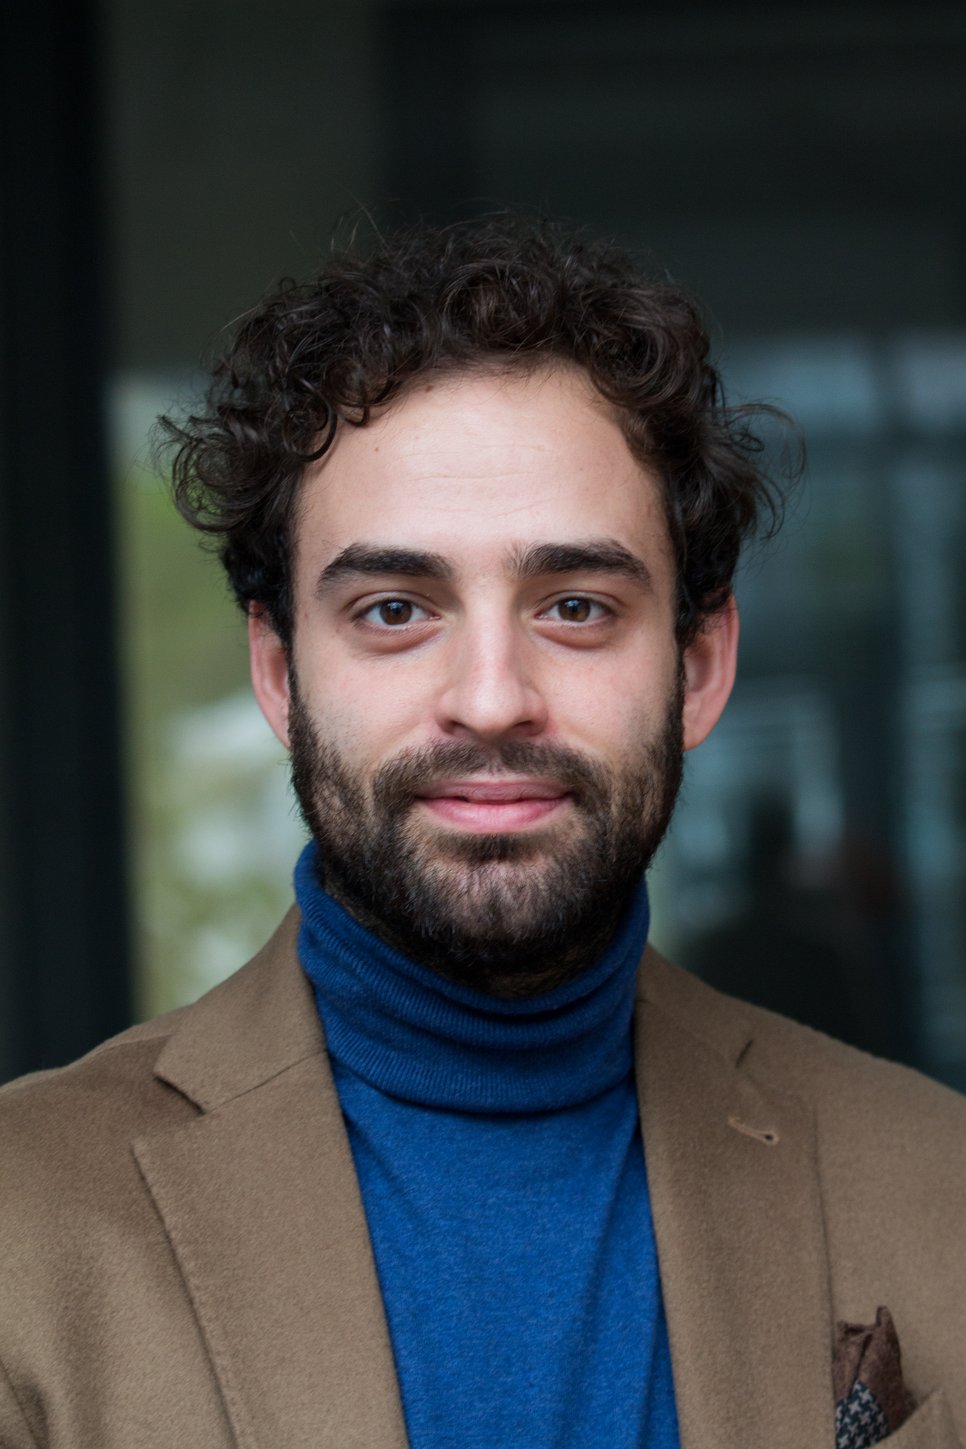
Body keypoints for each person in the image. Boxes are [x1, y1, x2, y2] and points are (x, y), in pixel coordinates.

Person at [1, 219, 963, 1449]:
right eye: (396, 609)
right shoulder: (21, 1229)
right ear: (280, 672)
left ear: (702, 665)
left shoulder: (943, 1187)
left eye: (575, 606)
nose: (493, 695)